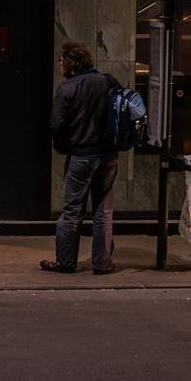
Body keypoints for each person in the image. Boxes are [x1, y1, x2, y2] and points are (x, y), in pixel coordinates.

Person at [43, 41, 118, 275]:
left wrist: (63, 147)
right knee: (103, 210)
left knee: (72, 210)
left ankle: (66, 262)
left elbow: (56, 125)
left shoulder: (67, 88)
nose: (60, 64)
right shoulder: (107, 82)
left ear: (70, 62)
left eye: (62, 60)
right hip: (108, 155)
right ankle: (102, 263)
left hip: (81, 155)